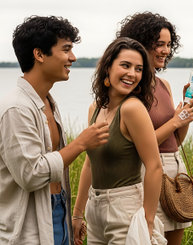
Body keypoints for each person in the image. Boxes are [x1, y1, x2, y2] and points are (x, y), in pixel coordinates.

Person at [0, 16, 109, 245]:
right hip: (28, 227)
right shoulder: (15, 108)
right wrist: (80, 144)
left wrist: (71, 215)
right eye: (66, 49)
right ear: (39, 55)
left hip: (59, 208)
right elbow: (31, 174)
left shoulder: (48, 102)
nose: (73, 57)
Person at [117, 12, 193, 245]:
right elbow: (137, 147)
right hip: (149, 172)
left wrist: (184, 113)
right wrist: (175, 121)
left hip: (175, 169)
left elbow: (175, 140)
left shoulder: (163, 84)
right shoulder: (132, 89)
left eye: (168, 45)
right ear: (140, 45)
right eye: (159, 45)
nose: (165, 51)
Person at [71, 37, 163, 244]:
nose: (132, 74)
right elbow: (90, 163)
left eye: (138, 69)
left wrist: (148, 221)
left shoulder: (132, 108)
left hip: (125, 209)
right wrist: (78, 213)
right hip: (94, 208)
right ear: (108, 68)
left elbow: (154, 166)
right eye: (125, 65)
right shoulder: (95, 108)